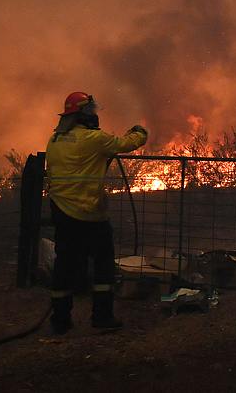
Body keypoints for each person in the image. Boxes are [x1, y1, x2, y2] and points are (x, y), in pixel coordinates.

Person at [45, 91, 147, 334]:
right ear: (81, 114)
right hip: (88, 213)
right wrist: (140, 132)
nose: (94, 114)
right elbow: (126, 144)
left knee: (64, 264)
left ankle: (60, 320)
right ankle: (102, 316)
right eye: (90, 110)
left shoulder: (55, 139)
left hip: (61, 210)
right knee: (103, 262)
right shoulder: (93, 139)